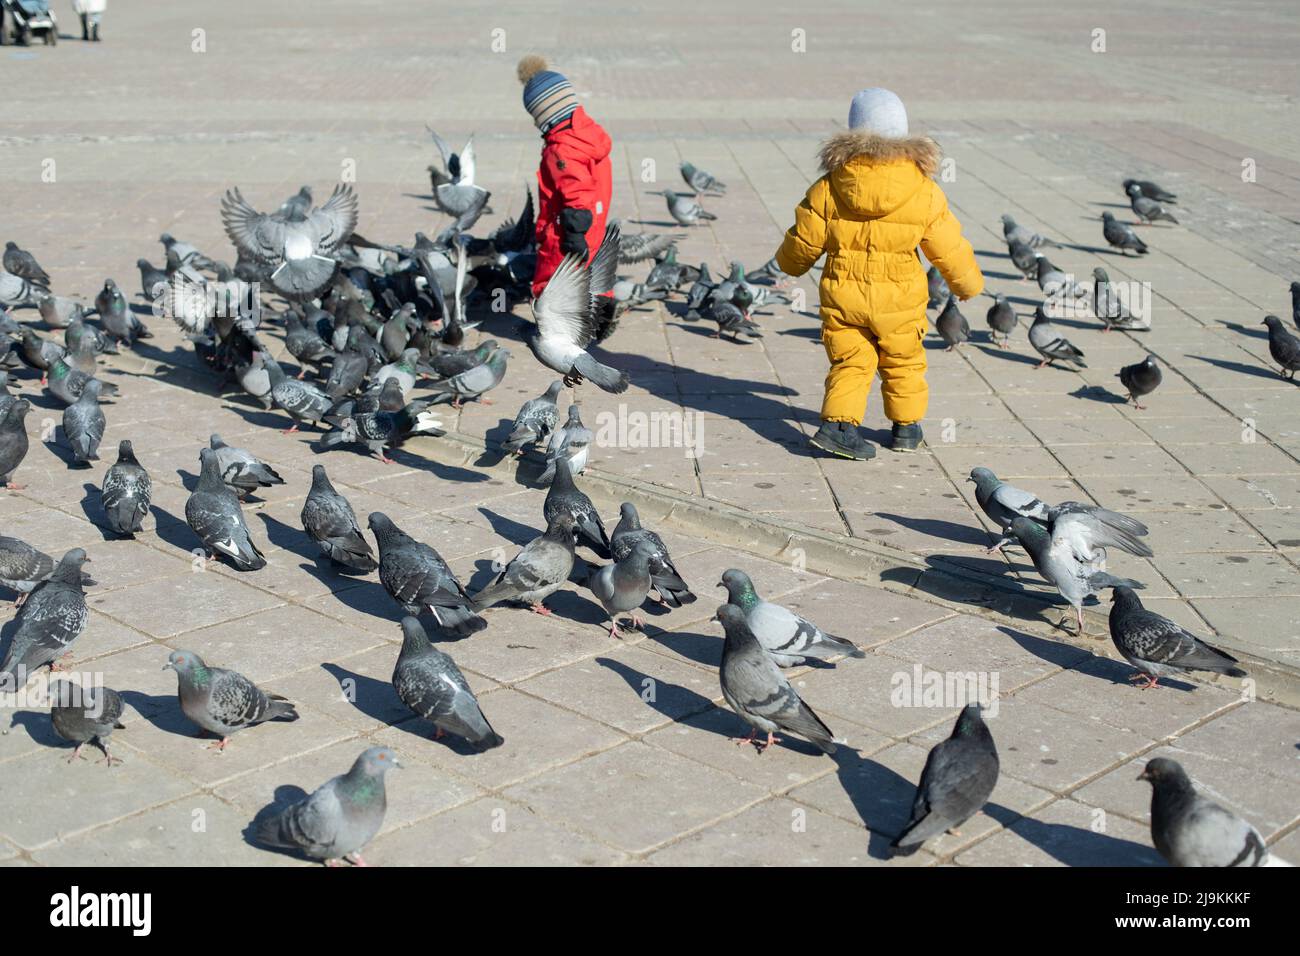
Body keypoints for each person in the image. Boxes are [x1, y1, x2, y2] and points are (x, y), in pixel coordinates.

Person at [775, 88, 983, 460]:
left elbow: (802, 243)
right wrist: (967, 284)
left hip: (843, 295)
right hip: (900, 299)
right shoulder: (924, 190)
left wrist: (789, 265)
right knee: (904, 360)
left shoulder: (828, 187)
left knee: (851, 361)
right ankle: (905, 429)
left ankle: (839, 427)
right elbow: (948, 245)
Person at [517, 55, 613, 298]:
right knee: (593, 270)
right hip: (596, 221)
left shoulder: (560, 149)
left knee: (554, 277)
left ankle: (555, 331)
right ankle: (599, 317)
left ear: (543, 115)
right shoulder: (587, 134)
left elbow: (577, 194)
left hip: (566, 229)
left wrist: (573, 235)